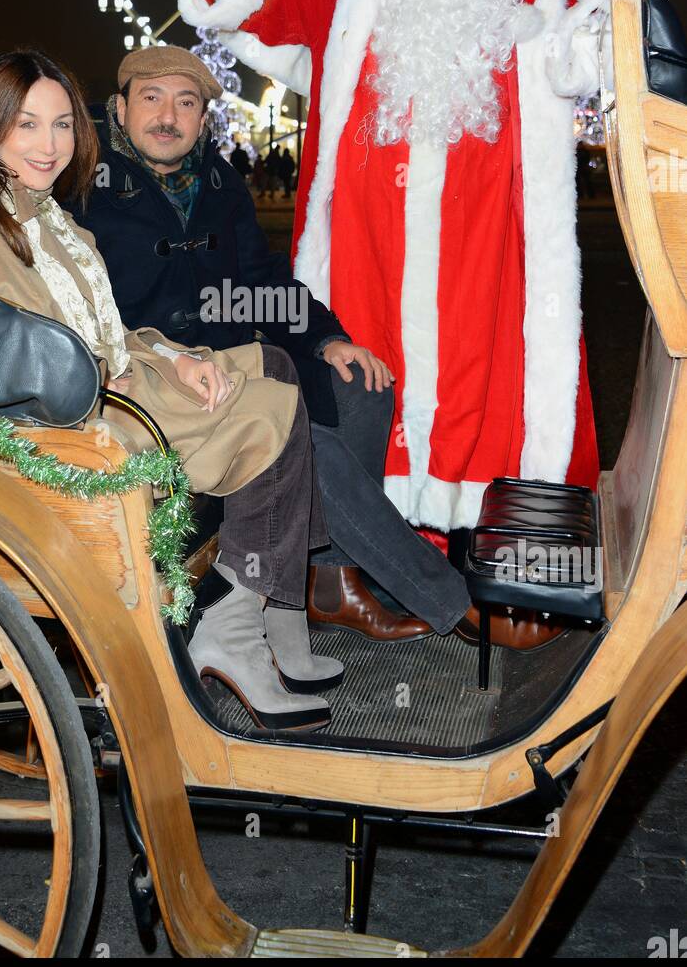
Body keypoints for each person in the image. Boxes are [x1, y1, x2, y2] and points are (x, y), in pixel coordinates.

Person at [178, 0, 654, 557]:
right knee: (365, 399)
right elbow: (241, 2)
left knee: (490, 400)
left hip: (493, 273)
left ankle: (505, 550)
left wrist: (611, 30)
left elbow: (632, 24)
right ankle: (360, 557)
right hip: (365, 269)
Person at [0, 48, 356, 732]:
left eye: (61, 126)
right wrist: (115, 369)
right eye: (27, 126)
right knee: (270, 402)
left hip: (114, 383)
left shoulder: (45, 213)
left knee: (270, 370)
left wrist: (175, 359)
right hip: (74, 427)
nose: (49, 145)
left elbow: (109, 324)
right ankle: (244, 621)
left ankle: (265, 606)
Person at [79, 46, 542, 652]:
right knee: (304, 437)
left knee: (361, 387)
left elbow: (264, 279)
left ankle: (330, 578)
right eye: (152, 98)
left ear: (201, 119)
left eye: (186, 102)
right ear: (120, 106)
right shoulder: (87, 185)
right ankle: (447, 600)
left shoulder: (217, 181)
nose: (168, 115)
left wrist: (327, 339)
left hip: (236, 356)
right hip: (158, 375)